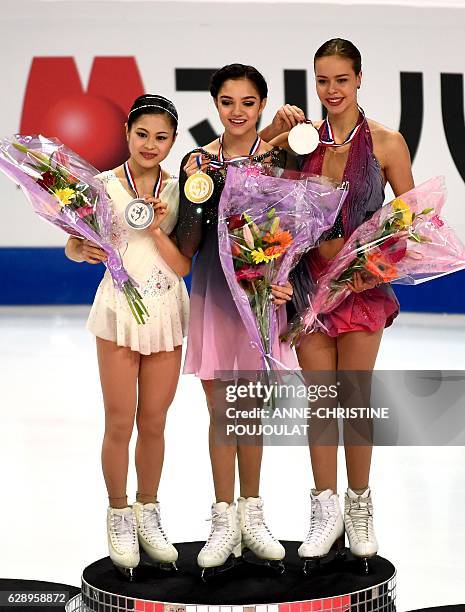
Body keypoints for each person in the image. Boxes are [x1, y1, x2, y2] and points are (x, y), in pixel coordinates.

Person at [261, 38, 414, 569]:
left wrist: (368, 268)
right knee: (321, 404)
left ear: (359, 78)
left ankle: (360, 506)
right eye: (322, 80)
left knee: (354, 400)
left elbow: (409, 224)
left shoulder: (389, 144)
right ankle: (324, 511)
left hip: (361, 289)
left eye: (340, 80)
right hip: (307, 290)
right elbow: (251, 182)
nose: (330, 90)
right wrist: (272, 131)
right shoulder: (300, 141)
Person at [176, 64, 297, 575]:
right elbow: (188, 239)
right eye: (228, 102)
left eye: (248, 102)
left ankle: (253, 512)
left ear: (262, 105)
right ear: (215, 105)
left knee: (250, 408)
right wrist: (193, 196)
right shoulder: (198, 161)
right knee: (221, 410)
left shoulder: (280, 159)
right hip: (213, 289)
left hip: (260, 293)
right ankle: (224, 518)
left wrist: (285, 275)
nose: (238, 111)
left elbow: (296, 224)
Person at [65, 94, 190, 578]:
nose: (151, 145)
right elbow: (75, 249)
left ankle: (148, 510)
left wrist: (159, 228)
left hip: (165, 311)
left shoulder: (183, 191)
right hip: (118, 310)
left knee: (154, 422)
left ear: (174, 141)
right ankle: (118, 512)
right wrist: (78, 248)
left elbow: (181, 265)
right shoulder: (98, 187)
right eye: (143, 135)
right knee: (120, 421)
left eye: (162, 137)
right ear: (127, 135)